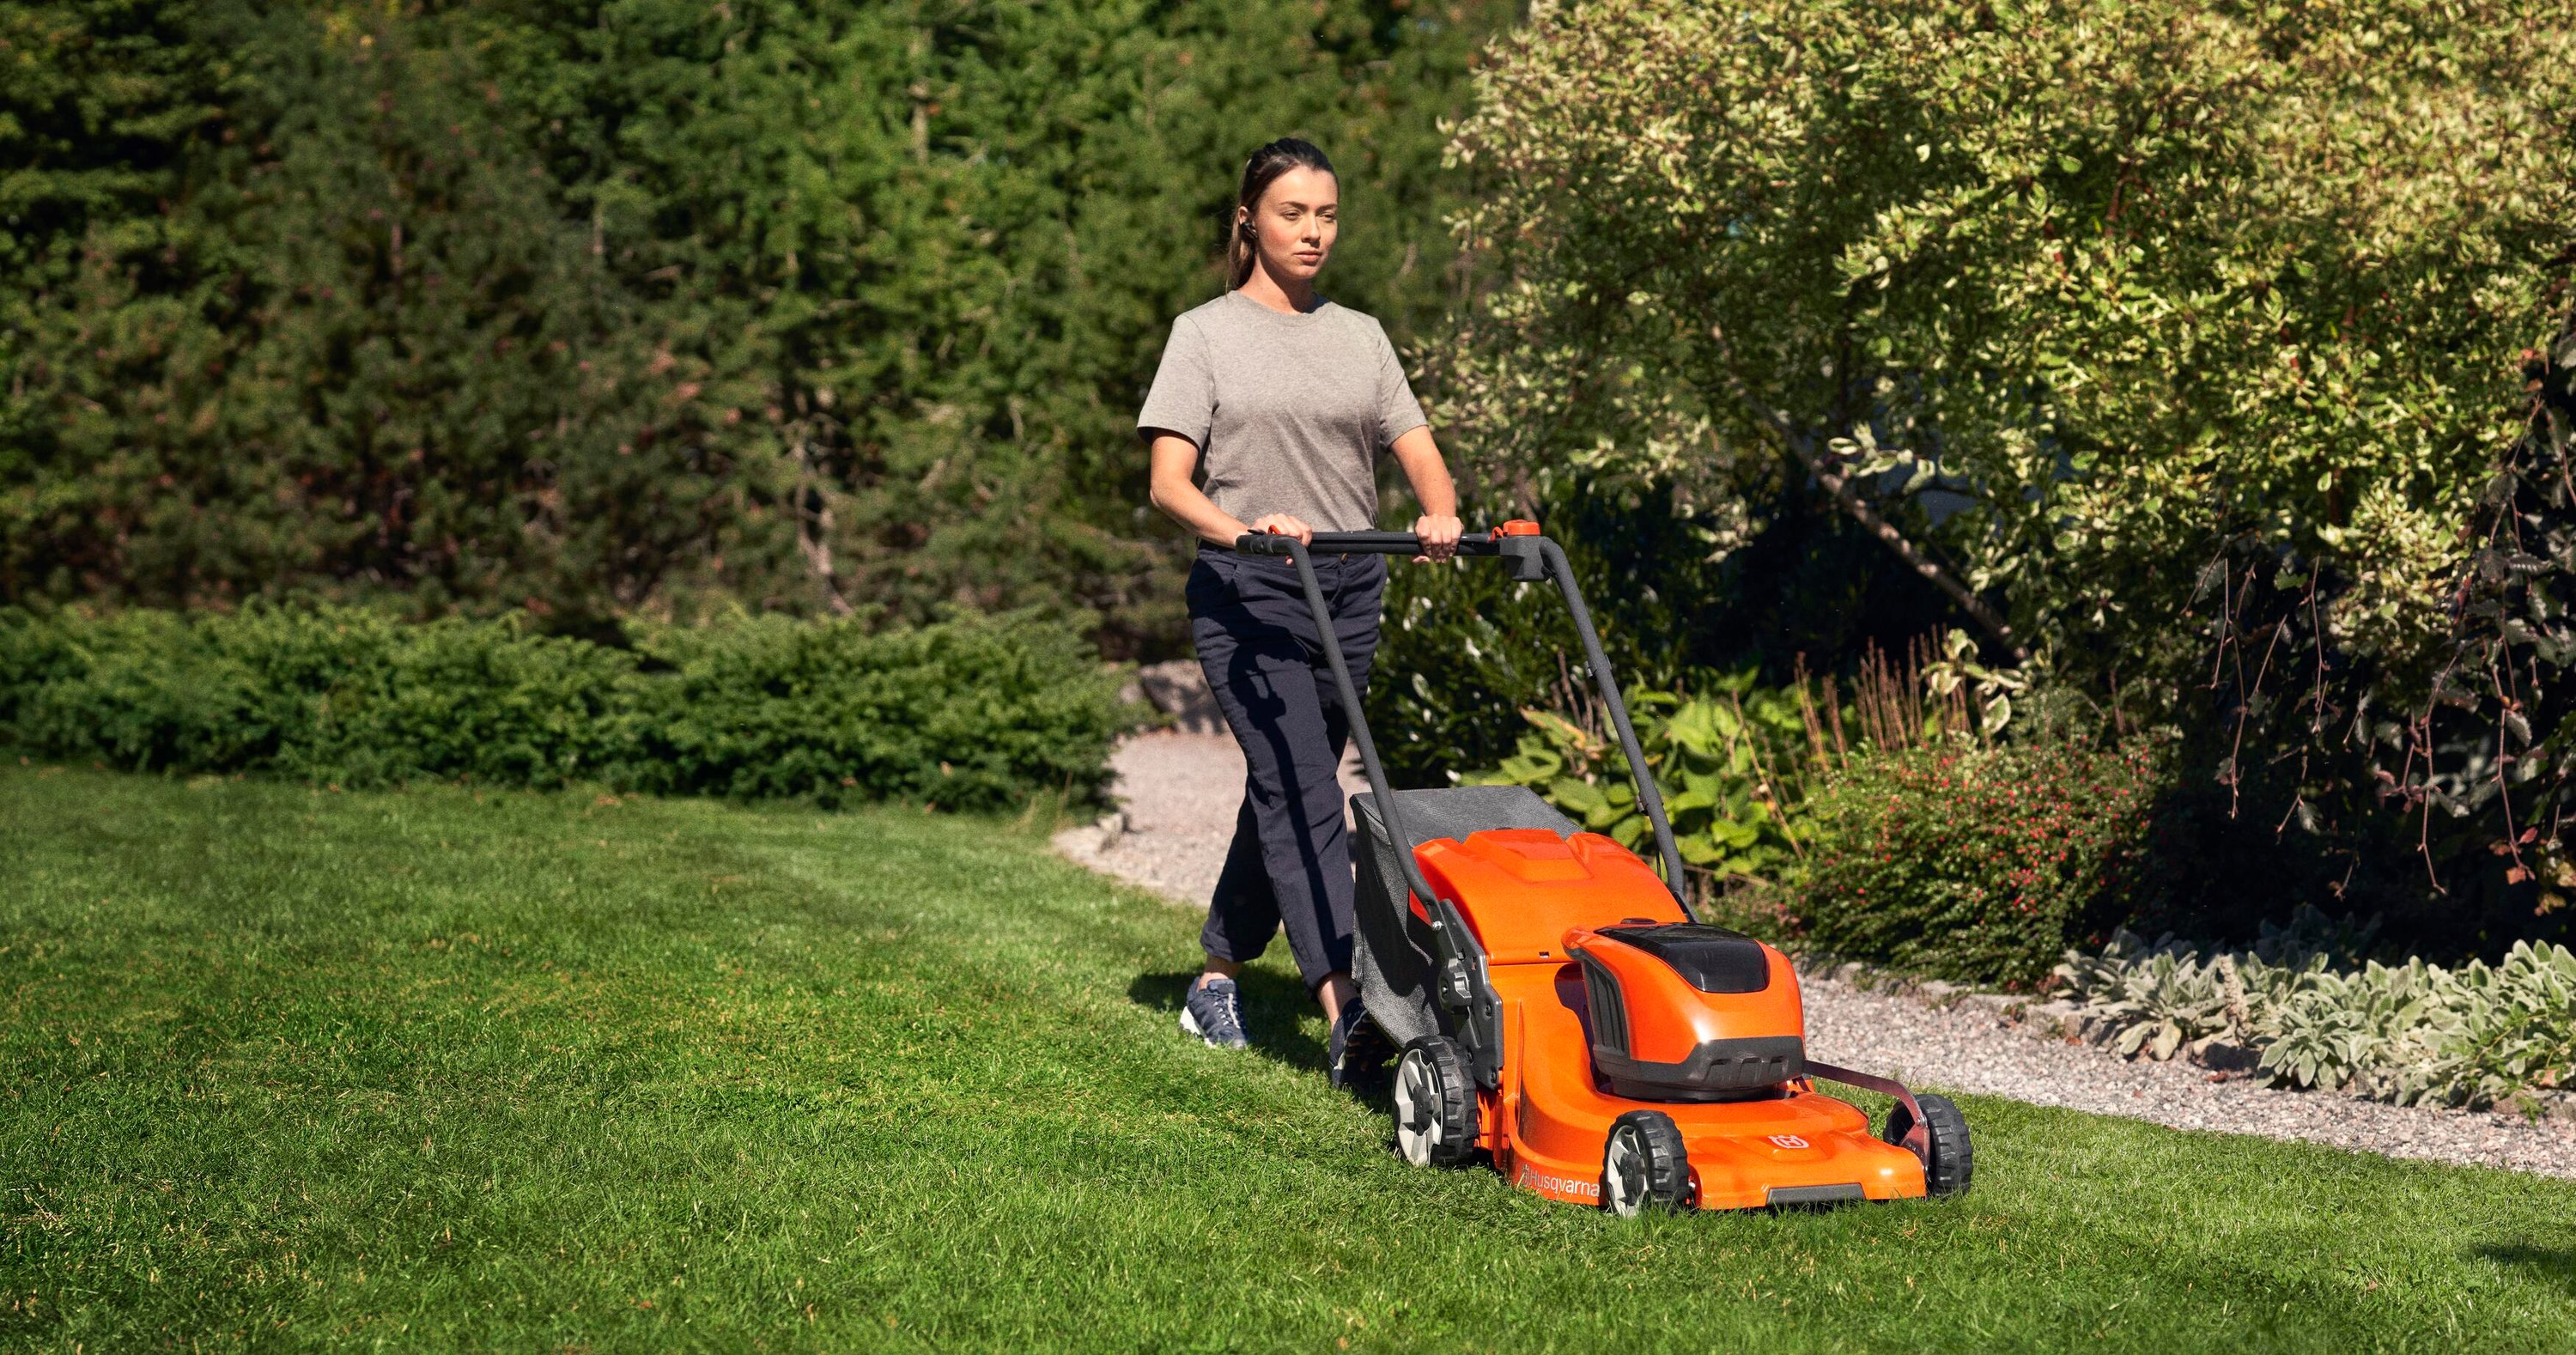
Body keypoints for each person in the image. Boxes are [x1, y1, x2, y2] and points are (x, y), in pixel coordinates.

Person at [1138, 137, 1463, 1086]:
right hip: (1249, 594)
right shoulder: (1205, 334)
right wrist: (1247, 533)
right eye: (1293, 214)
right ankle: (1347, 1007)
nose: (1313, 231)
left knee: (1288, 784)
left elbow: (1415, 444)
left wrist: (1439, 511)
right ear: (1250, 219)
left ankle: (1215, 978)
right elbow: (1168, 483)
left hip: (1350, 590)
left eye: (1326, 214)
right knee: (1306, 791)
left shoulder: (1360, 335)